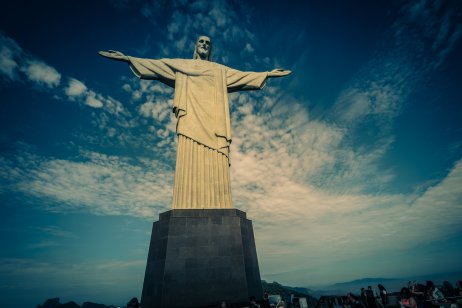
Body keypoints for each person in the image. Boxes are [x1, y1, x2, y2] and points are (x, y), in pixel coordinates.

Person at [99, 36, 291, 210]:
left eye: (208, 43)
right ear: (196, 46)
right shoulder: (182, 65)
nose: (205, 45)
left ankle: (219, 204)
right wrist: (127, 59)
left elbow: (243, 76)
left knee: (216, 162)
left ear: (211, 49)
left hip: (214, 125)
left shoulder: (219, 71)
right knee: (189, 160)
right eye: (201, 42)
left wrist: (267, 74)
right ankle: (185, 204)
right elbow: (157, 66)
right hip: (191, 120)